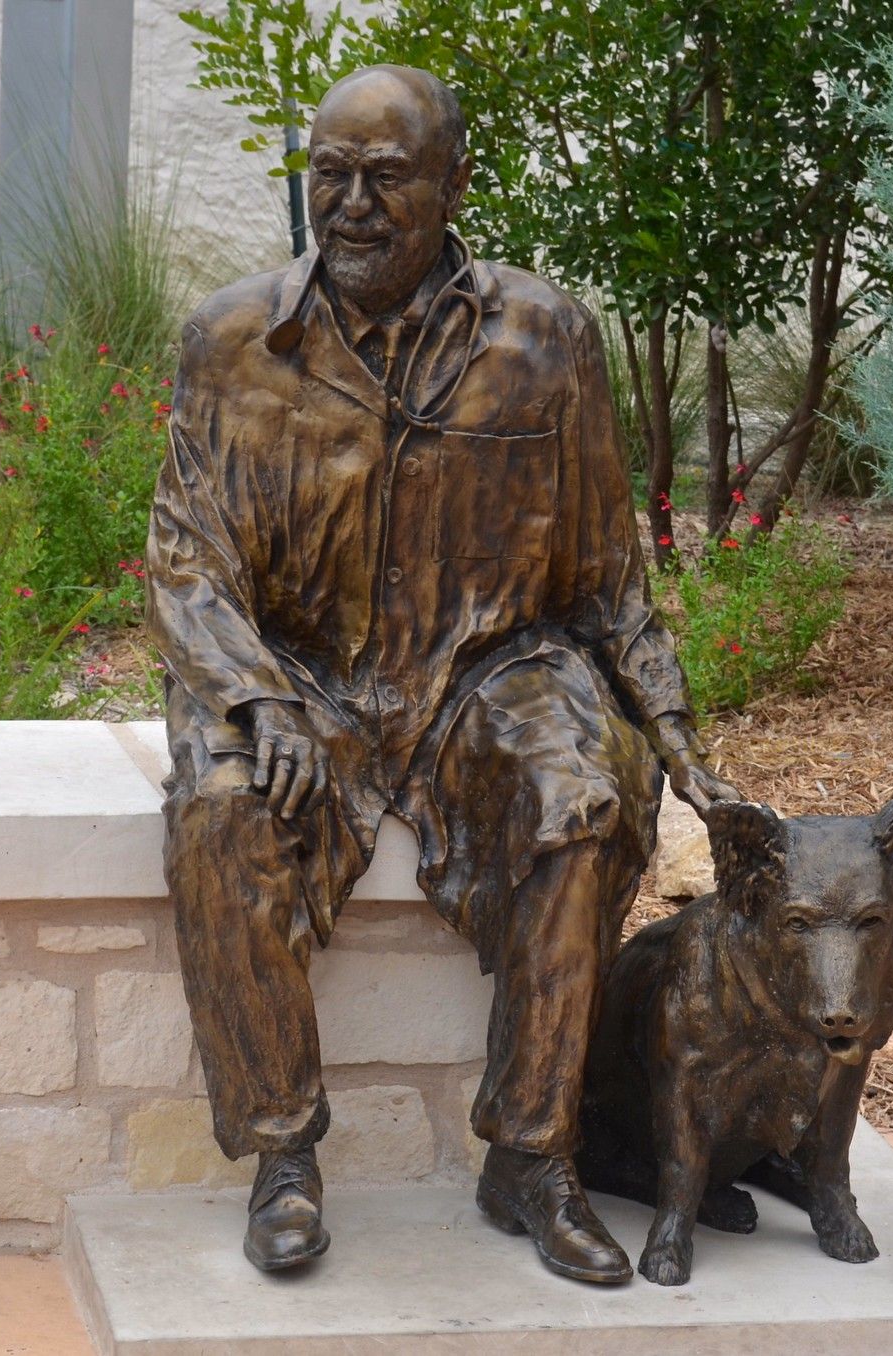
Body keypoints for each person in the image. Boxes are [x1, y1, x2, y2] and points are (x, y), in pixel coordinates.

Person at [146, 63, 736, 1285]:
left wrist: (676, 740)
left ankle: (531, 1153)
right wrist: (254, 698)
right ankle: (283, 1159)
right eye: (329, 176)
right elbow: (185, 561)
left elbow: (607, 574)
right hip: (295, 670)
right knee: (224, 813)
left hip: (485, 668)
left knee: (583, 796)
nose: (352, 205)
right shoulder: (232, 339)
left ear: (457, 183)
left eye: (386, 176)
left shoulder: (546, 338)